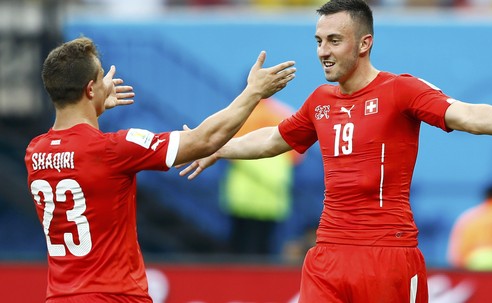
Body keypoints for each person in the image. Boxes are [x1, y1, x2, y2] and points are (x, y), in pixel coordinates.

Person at [178, 0, 492, 301]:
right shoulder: (319, 100)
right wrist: (219, 146)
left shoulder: (400, 90)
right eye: (318, 41)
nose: (323, 51)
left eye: (334, 40)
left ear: (364, 43)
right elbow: (274, 139)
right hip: (328, 254)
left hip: (387, 255)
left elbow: (465, 114)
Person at [24, 36, 295, 303]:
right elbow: (204, 140)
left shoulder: (35, 152)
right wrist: (254, 92)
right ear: (90, 89)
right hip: (115, 296)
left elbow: (78, 148)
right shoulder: (114, 148)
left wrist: (92, 110)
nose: (108, 83)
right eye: (103, 77)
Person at [220, 97, 302, 256]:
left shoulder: (238, 114)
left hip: (242, 195)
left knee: (239, 247)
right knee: (264, 250)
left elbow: (226, 150)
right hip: (272, 196)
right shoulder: (283, 114)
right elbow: (296, 154)